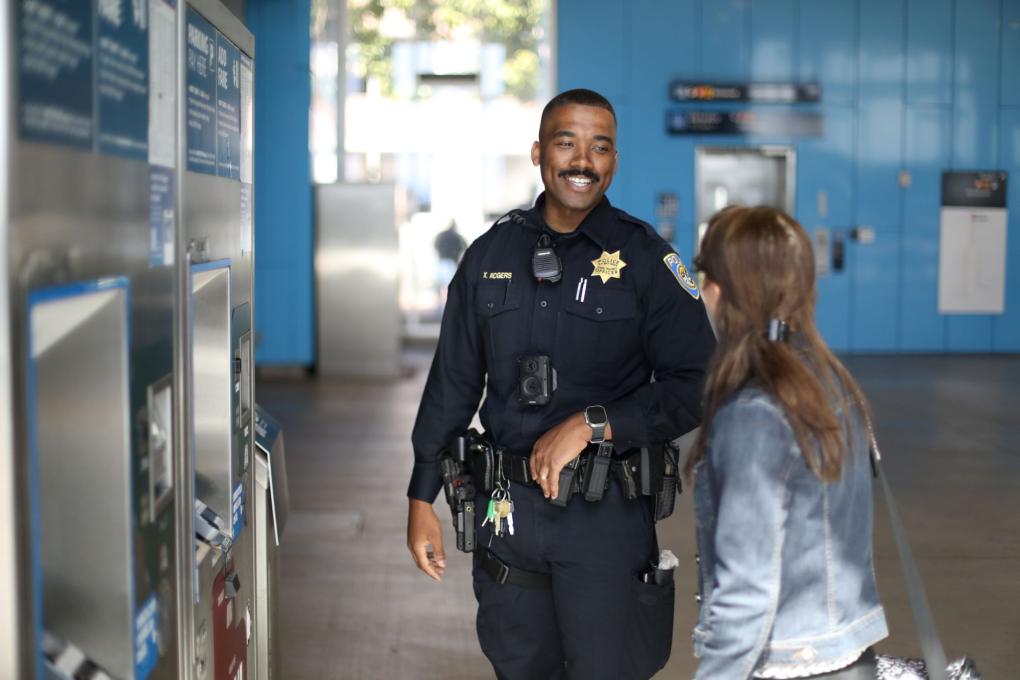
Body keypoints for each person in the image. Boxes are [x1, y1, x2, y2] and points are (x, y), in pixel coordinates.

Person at [405, 88, 715, 679]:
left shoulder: (646, 259)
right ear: (538, 153)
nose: (582, 161)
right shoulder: (490, 255)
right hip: (508, 515)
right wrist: (422, 497)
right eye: (566, 142)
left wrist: (598, 423)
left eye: (599, 147)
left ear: (614, 162)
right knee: (519, 668)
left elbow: (699, 382)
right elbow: (452, 384)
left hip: (606, 518)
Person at [688, 206, 889, 679]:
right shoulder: (830, 383)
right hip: (846, 653)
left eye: (706, 276)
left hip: (789, 663)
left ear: (726, 290)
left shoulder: (755, 415)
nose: (702, 292)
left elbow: (748, 591)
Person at [434, 219, 467, 304]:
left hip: (442, 261)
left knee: (441, 284)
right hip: (451, 262)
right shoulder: (456, 236)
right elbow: (465, 246)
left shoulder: (442, 235)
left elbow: (435, 245)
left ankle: (440, 301)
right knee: (450, 285)